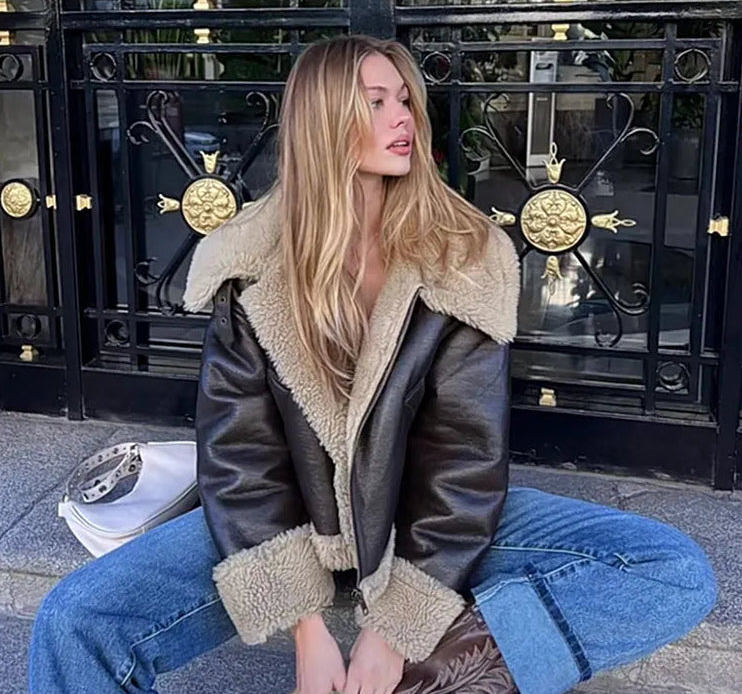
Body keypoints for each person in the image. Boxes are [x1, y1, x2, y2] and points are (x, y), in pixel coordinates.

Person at [29, 35, 717, 694]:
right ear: (324, 120)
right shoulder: (246, 263)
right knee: (73, 622)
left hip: (421, 522)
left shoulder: (464, 256)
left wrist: (400, 626)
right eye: (376, 101)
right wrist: (305, 623)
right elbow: (241, 454)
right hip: (292, 525)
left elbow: (463, 458)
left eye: (405, 100)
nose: (403, 119)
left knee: (675, 569)